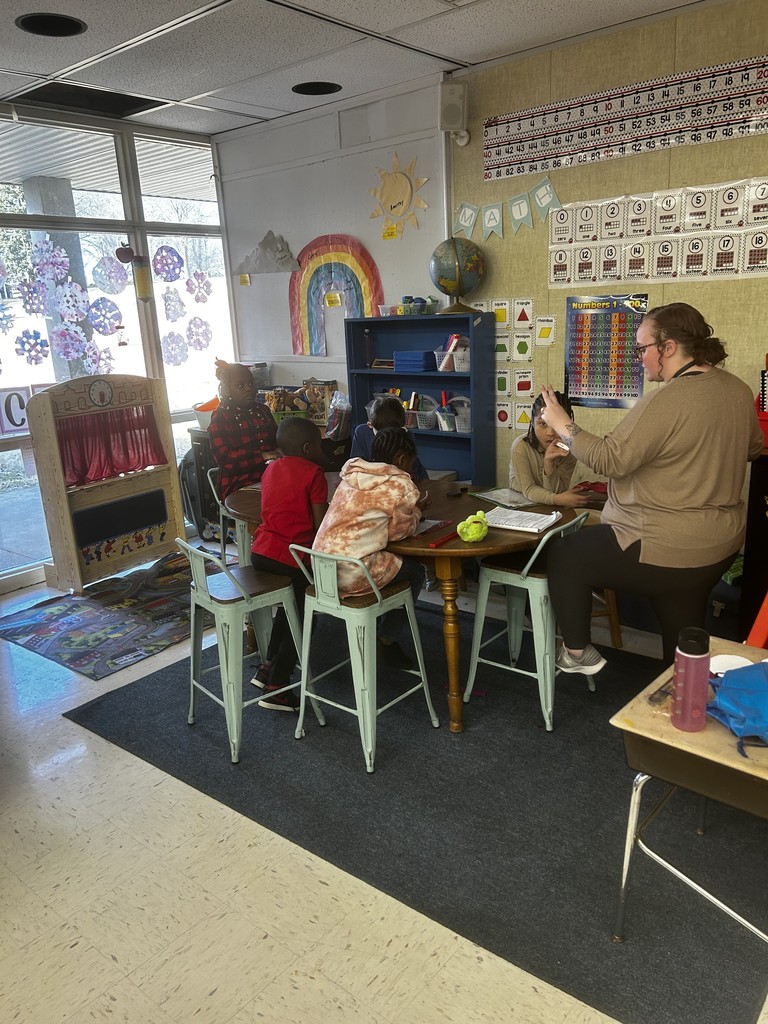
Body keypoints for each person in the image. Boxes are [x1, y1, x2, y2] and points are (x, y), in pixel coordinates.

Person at [539, 301, 764, 674]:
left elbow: (611, 459)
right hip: (717, 545)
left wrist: (563, 424)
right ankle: (684, 687)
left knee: (565, 554)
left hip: (663, 542)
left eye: (643, 348)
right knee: (681, 633)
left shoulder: (668, 398)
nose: (640, 358)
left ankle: (577, 654)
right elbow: (754, 447)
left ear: (669, 347)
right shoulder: (738, 390)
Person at [312, 426, 430, 666]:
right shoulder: (400, 485)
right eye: (411, 462)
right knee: (415, 572)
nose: (411, 468)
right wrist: (417, 511)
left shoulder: (350, 475)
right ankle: (387, 639)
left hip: (321, 569)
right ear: (401, 459)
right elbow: (398, 533)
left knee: (388, 562)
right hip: (355, 572)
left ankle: (376, 626)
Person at [250, 416, 328, 711]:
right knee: (306, 617)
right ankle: (277, 689)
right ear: (308, 448)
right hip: (292, 558)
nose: (323, 449)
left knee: (287, 609)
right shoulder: (314, 473)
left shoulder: (270, 469)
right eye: (320, 444)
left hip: (261, 552)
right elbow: (320, 527)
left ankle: (267, 667)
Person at [208, 361, 279, 500]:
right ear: (227, 389)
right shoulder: (221, 417)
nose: (248, 389)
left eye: (251, 384)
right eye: (240, 385)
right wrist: (263, 456)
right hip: (239, 485)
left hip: (271, 477)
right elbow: (225, 458)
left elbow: (277, 441)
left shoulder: (263, 411)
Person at [509, 391, 589, 507]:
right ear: (532, 423)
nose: (550, 433)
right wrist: (557, 499)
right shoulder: (521, 446)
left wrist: (548, 462)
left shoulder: (569, 449)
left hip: (550, 506)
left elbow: (559, 491)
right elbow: (529, 489)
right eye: (542, 424)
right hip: (521, 502)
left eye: (556, 424)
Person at [350, 395, 428, 484]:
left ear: (403, 428)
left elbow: (413, 476)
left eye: (394, 433)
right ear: (370, 424)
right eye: (382, 435)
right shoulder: (361, 433)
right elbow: (355, 467)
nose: (388, 439)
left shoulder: (406, 437)